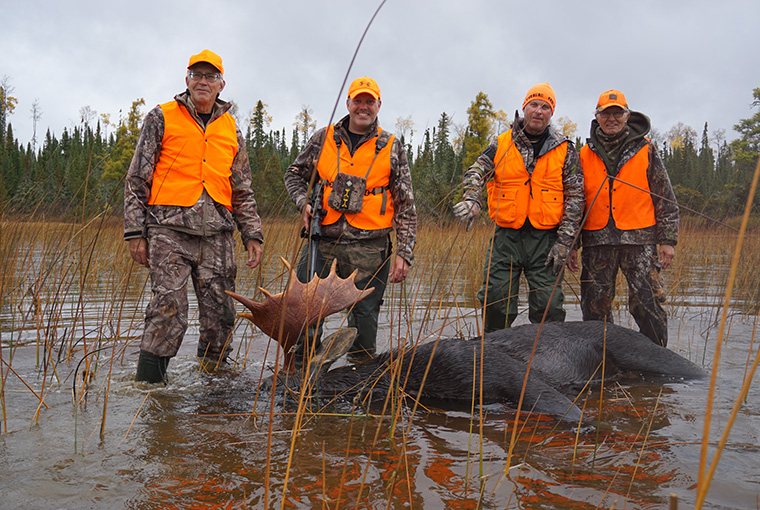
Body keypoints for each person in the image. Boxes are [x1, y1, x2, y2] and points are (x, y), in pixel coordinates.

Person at [124, 49, 264, 383]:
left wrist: (252, 234)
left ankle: (212, 391)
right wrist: (134, 232)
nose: (203, 81)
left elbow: (241, 187)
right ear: (187, 79)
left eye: (210, 76)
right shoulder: (161, 116)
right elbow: (136, 178)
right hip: (168, 231)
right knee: (168, 310)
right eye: (197, 75)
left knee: (221, 316)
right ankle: (151, 390)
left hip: (218, 235)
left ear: (221, 84)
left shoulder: (232, 128)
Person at [284, 76, 417, 363]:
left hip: (370, 249)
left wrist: (404, 254)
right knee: (305, 310)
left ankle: (359, 379)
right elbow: (293, 175)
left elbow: (406, 206)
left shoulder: (392, 146)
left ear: (379, 105)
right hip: (323, 240)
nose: (363, 107)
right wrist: (303, 202)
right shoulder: (323, 138)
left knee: (363, 320)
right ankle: (300, 374)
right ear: (348, 103)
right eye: (358, 100)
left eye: (369, 101)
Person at [454, 83, 584, 332]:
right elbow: (476, 171)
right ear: (524, 108)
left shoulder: (565, 149)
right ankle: (492, 355)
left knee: (549, 308)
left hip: (547, 241)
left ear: (551, 113)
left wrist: (565, 243)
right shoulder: (500, 143)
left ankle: (548, 360)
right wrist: (472, 199)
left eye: (545, 106)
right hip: (506, 239)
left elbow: (576, 196)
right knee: (496, 304)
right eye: (534, 104)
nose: (538, 111)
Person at [568, 90, 678, 346]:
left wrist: (668, 240)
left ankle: (657, 362)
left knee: (646, 304)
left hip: (640, 241)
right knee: (595, 307)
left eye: (617, 113)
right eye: (606, 113)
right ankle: (603, 363)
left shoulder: (646, 148)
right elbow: (575, 203)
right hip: (596, 242)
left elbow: (666, 198)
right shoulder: (583, 154)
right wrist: (573, 245)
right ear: (597, 117)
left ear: (627, 116)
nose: (612, 118)